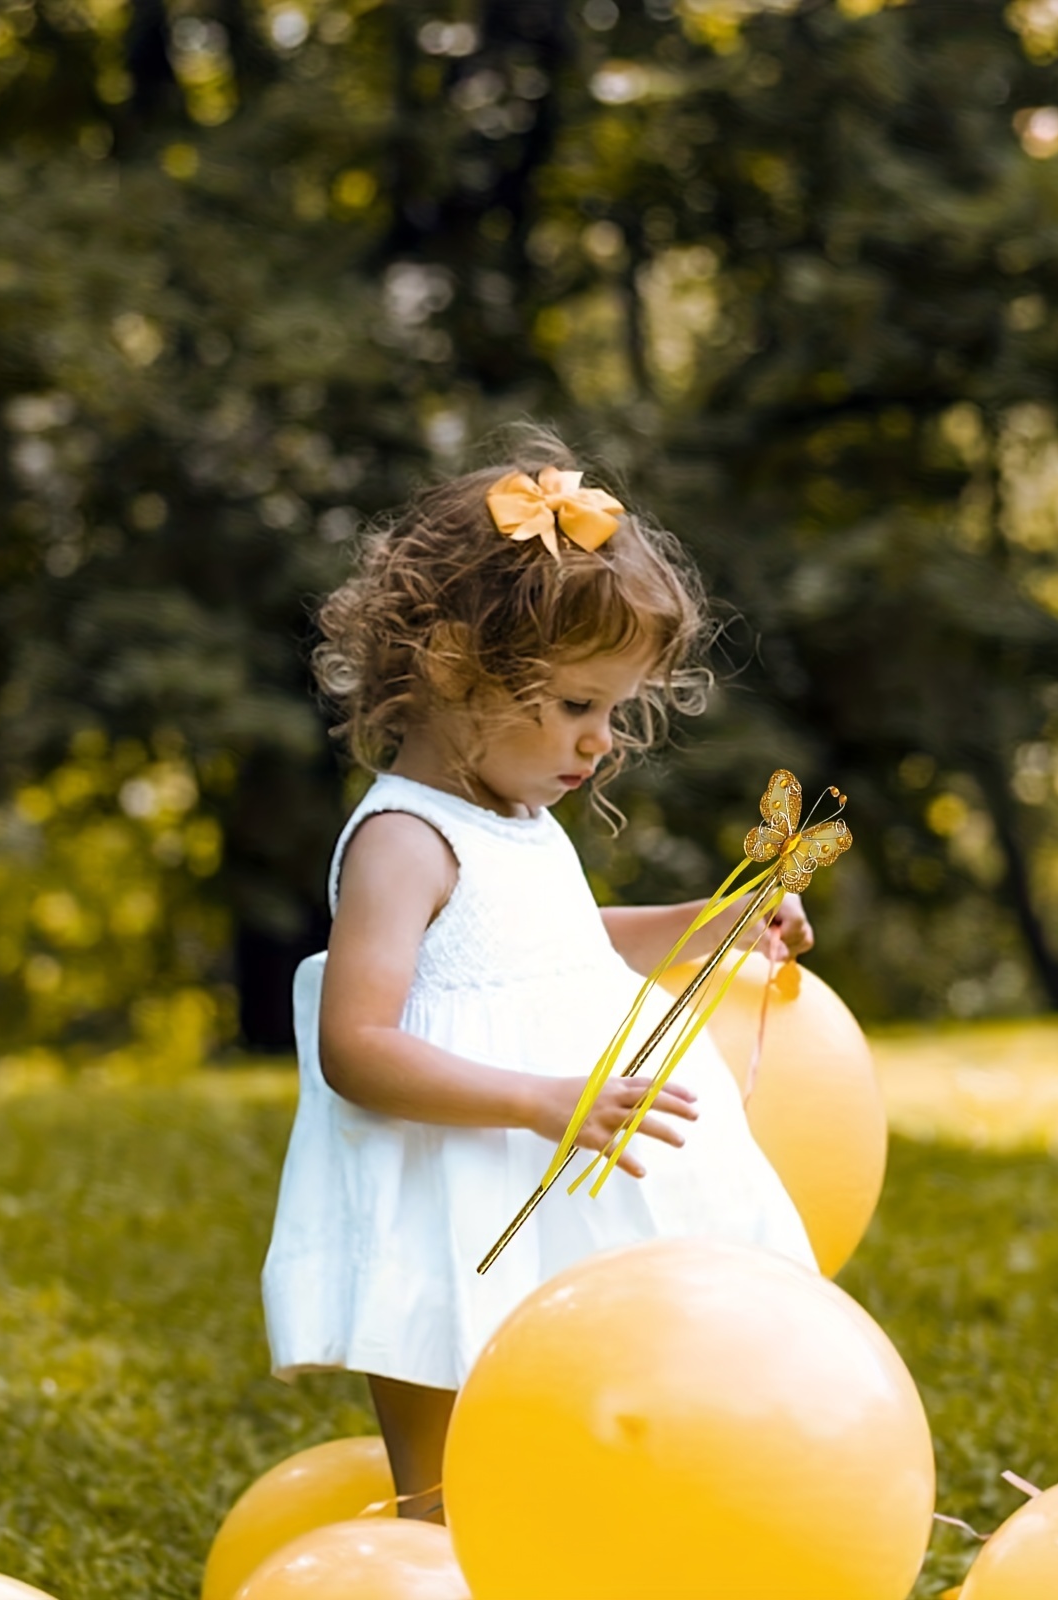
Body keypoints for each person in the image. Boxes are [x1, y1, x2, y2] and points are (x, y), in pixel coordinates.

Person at [260, 427, 819, 1520]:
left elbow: (562, 949)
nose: (601, 741)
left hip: (558, 1178)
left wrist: (713, 922)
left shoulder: (512, 817)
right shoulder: (404, 839)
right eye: (574, 706)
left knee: (592, 1441)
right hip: (458, 1198)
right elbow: (356, 1046)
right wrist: (538, 1100)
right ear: (454, 668)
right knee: (451, 1482)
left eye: (612, 711)